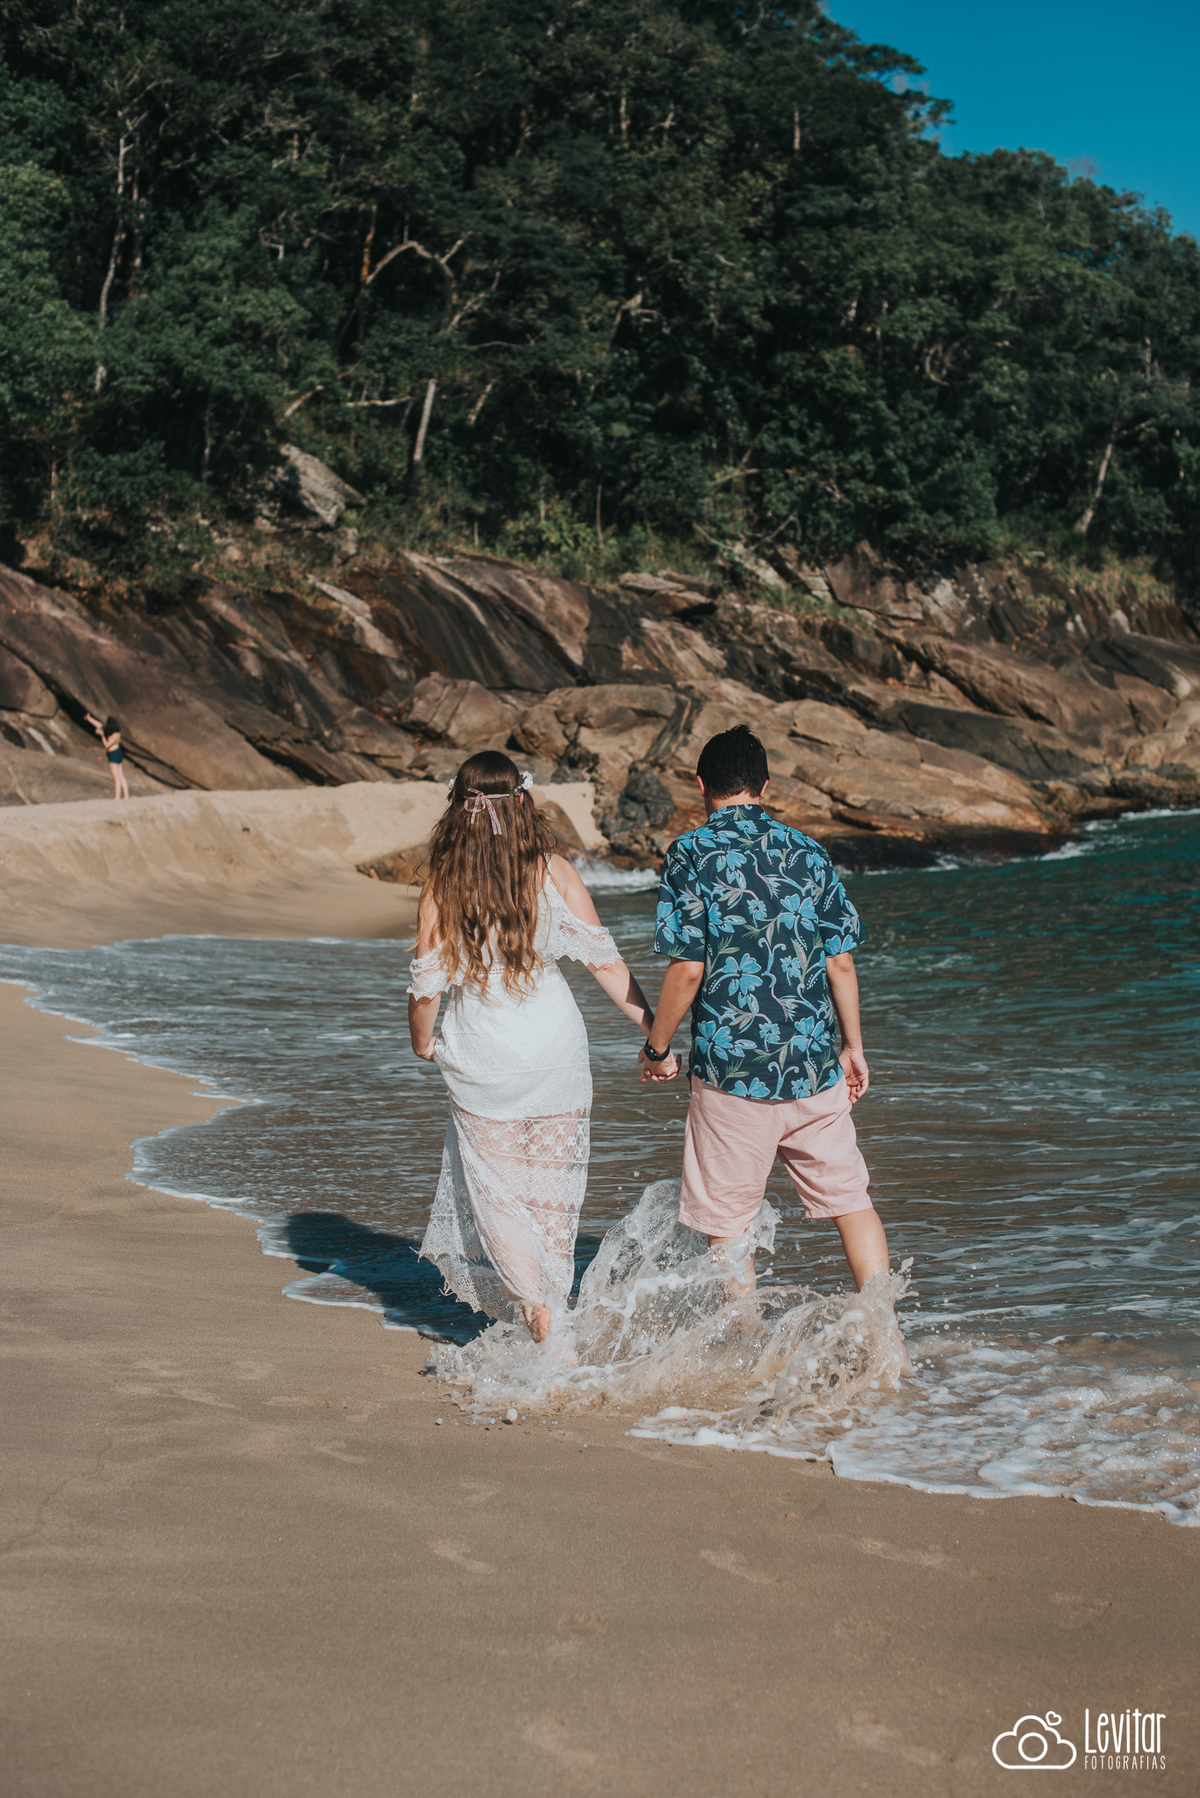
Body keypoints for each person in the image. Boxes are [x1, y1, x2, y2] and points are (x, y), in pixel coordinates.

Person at [638, 723, 894, 1300]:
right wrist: (853, 1048)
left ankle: (746, 1342)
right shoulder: (809, 851)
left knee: (729, 1226)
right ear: (765, 786)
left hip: (731, 1073)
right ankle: (886, 1333)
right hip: (813, 1067)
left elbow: (688, 969)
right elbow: (841, 962)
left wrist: (658, 1048)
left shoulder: (690, 853)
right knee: (852, 1202)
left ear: (701, 785)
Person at [408, 751, 657, 1343]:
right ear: (522, 801)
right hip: (555, 1048)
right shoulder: (554, 871)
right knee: (549, 1199)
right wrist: (657, 1034)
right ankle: (552, 1317)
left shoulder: (444, 883)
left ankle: (542, 1320)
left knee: (500, 1196)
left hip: (484, 1055)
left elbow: (426, 985)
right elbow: (606, 964)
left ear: (458, 808)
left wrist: (422, 1044)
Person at [86, 712, 129, 800]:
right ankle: (126, 796)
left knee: (116, 777)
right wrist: (89, 719)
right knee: (120, 775)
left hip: (113, 754)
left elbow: (107, 745)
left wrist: (102, 736)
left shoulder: (114, 734)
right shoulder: (117, 732)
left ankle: (117, 797)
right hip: (118, 753)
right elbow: (99, 725)